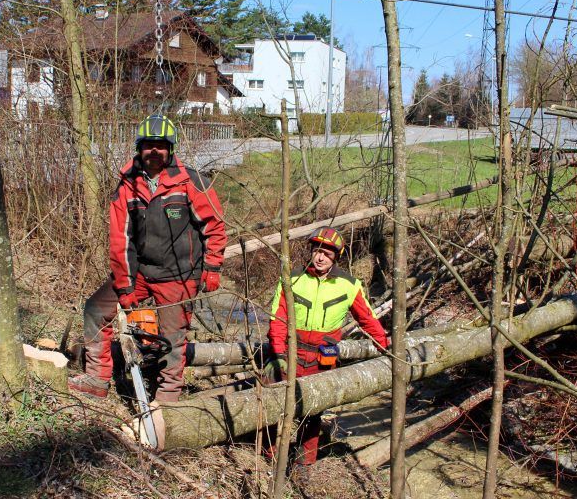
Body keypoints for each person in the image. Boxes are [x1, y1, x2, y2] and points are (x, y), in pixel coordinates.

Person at [68, 114, 227, 403]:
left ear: (171, 149)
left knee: (172, 338)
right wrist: (126, 288)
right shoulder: (128, 185)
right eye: (148, 146)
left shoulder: (191, 182)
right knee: (95, 310)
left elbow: (214, 226)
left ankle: (167, 398)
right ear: (139, 148)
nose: (154, 152)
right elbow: (120, 240)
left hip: (179, 275)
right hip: (140, 271)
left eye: (161, 146)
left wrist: (213, 266)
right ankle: (97, 378)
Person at [264, 226, 389, 466]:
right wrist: (278, 352)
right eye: (317, 251)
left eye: (328, 253)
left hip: (323, 357)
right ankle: (268, 458)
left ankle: (304, 463)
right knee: (275, 404)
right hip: (290, 353)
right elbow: (277, 319)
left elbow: (367, 318)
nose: (321, 257)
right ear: (311, 251)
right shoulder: (292, 279)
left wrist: (384, 344)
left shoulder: (349, 285)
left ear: (336, 257)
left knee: (313, 413)